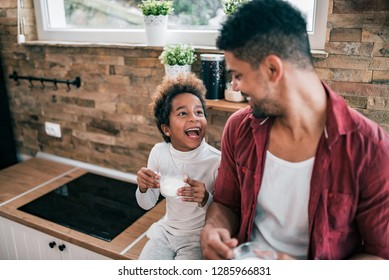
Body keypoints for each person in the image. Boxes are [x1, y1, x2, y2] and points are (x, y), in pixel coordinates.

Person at [200, 0, 389, 260]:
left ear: (272, 69)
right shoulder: (238, 128)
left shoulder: (373, 150)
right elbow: (225, 203)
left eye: (238, 75)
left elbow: (380, 258)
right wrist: (213, 229)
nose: (236, 86)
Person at [135, 73, 221, 260]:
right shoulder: (159, 153)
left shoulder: (216, 161)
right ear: (166, 129)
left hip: (197, 238)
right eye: (183, 113)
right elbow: (146, 204)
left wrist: (205, 198)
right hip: (166, 233)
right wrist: (142, 188)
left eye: (199, 112)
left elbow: (222, 214)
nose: (194, 118)